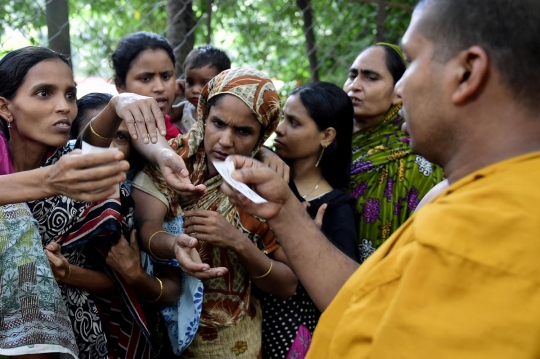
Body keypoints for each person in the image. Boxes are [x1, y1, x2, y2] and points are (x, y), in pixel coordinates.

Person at [217, 0, 540, 357]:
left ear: (466, 73)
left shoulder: (493, 228)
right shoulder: (455, 198)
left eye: (413, 61)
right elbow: (361, 299)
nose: (399, 91)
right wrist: (285, 212)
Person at [0, 46, 168, 359]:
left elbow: (119, 282)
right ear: (5, 108)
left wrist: (69, 274)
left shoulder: (81, 171)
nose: (63, 106)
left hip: (85, 336)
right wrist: (47, 181)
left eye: (69, 94)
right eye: (44, 93)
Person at [131, 67, 297, 358]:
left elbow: (287, 284)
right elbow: (147, 228)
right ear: (203, 116)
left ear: (262, 136)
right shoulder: (173, 160)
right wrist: (173, 245)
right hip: (155, 321)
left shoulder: (265, 187)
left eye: (243, 131)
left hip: (230, 340)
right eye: (218, 123)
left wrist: (238, 242)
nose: (226, 140)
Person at [262, 82, 358, 358]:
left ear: (326, 136)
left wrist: (305, 240)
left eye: (293, 122)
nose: (279, 128)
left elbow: (339, 296)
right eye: (282, 118)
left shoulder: (336, 209)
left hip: (293, 338)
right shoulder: (265, 177)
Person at [344, 42, 443, 262]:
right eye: (352, 76)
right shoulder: (327, 144)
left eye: (370, 78)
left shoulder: (418, 161)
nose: (355, 86)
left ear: (398, 92)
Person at [111, 31, 181, 140]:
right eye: (145, 79)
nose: (160, 87)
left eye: (166, 76)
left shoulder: (180, 127)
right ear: (120, 85)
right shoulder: (113, 135)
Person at [172, 45, 231, 134]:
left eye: (204, 84)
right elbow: (164, 116)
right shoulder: (185, 108)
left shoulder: (224, 111)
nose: (195, 90)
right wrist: (173, 93)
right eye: (190, 82)